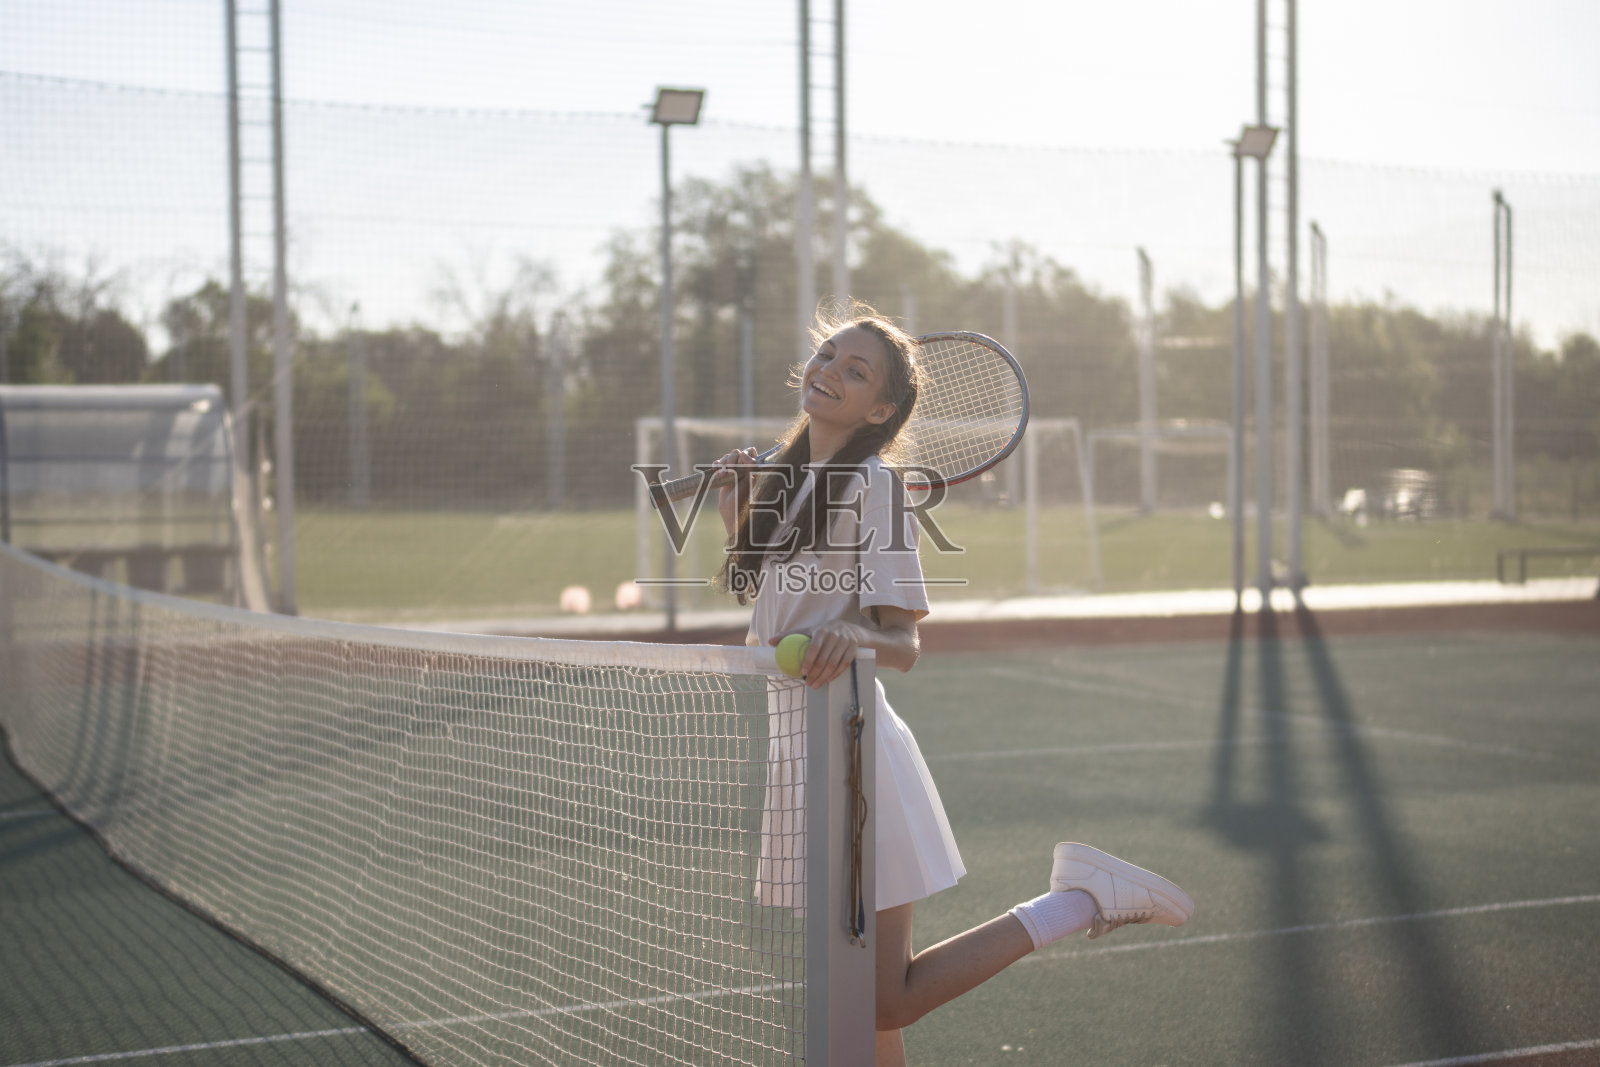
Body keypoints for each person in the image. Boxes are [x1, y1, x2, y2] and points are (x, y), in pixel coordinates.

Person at [712, 310, 1193, 1066]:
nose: (830, 367)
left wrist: (854, 636)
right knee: (861, 1008)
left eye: (857, 369)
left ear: (880, 411)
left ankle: (1079, 900)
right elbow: (761, 597)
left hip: (854, 759)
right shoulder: (787, 484)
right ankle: (1080, 897)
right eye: (828, 352)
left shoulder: (874, 486)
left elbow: (902, 643)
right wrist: (738, 504)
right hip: (799, 757)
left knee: (879, 996)